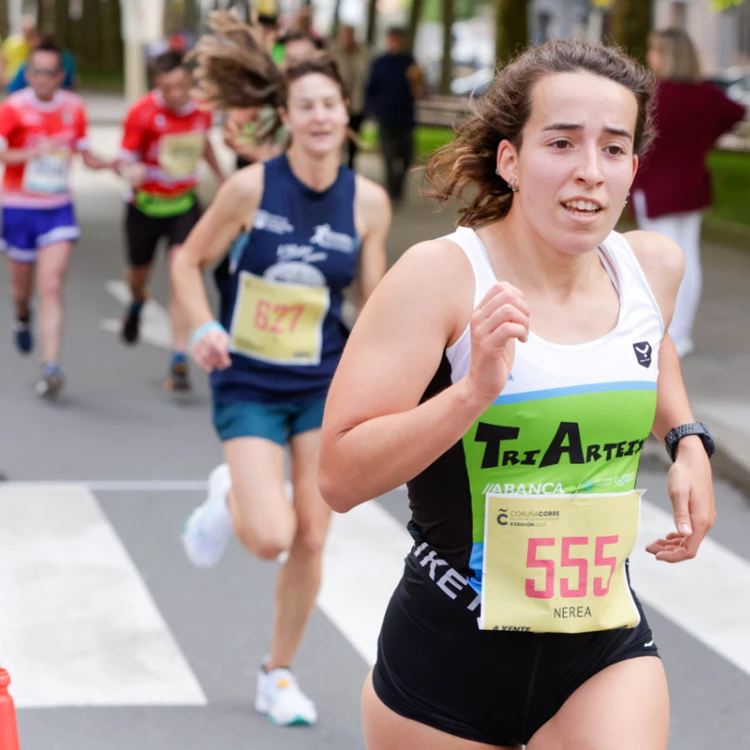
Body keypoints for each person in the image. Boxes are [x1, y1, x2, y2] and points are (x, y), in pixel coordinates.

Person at [319, 39, 717, 750]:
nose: (590, 172)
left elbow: (649, 348)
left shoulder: (649, 265)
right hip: (448, 663)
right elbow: (340, 476)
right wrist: (472, 392)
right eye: (561, 143)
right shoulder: (440, 278)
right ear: (510, 158)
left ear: (633, 167)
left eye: (614, 149)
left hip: (600, 640)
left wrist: (686, 438)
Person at [174, 12, 391, 727]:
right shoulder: (249, 188)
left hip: (323, 380)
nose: (321, 116)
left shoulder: (367, 202)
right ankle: (230, 490)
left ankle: (278, 674)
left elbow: (376, 301)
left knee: (313, 534)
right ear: (286, 117)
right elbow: (188, 260)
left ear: (344, 112)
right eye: (306, 106)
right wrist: (202, 323)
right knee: (269, 535)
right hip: (248, 378)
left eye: (330, 104)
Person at [0, 39, 114, 397]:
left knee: (52, 285)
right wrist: (32, 152)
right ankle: (22, 316)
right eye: (37, 72)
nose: (43, 79)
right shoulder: (13, 108)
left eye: (51, 72)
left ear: (61, 76)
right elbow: (5, 157)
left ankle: (50, 365)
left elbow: (85, 154)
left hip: (57, 209)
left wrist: (116, 165)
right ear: (28, 74)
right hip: (18, 207)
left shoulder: (74, 107)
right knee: (22, 290)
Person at [631, 28, 746, 359]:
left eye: (654, 50)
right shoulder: (706, 94)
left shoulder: (653, 95)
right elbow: (736, 113)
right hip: (691, 185)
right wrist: (705, 137)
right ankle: (681, 334)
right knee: (688, 259)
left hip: (655, 187)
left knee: (658, 262)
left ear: (663, 54)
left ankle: (662, 332)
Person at [116, 50, 224, 392]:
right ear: (157, 86)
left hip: (183, 205)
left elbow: (203, 142)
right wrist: (129, 170)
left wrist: (223, 178)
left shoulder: (202, 109)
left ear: (190, 81)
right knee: (138, 275)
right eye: (168, 88)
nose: (177, 94)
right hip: (145, 206)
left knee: (182, 273)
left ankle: (178, 357)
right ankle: (136, 300)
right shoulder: (142, 113)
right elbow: (125, 156)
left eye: (182, 85)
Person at [224, 30, 318, 171]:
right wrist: (257, 153)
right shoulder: (263, 92)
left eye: (309, 59)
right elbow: (229, 133)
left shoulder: (322, 96)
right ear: (282, 60)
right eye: (294, 59)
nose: (304, 66)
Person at [365, 26, 425, 202]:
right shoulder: (379, 63)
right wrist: (375, 110)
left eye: (399, 39)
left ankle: (398, 184)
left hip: (405, 117)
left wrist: (418, 86)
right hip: (385, 117)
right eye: (393, 39)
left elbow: (420, 89)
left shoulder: (410, 63)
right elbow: (370, 90)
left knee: (407, 155)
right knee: (389, 155)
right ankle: (393, 191)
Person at [329, 24, 370, 169]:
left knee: (354, 141)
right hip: (337, 104)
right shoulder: (334, 53)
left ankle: (350, 168)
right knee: (336, 139)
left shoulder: (363, 53)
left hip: (357, 105)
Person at [2, 15, 38, 88]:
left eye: (30, 30)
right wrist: (3, 76)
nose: (27, 32)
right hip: (12, 78)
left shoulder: (36, 44)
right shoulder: (12, 42)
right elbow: (3, 60)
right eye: (25, 29)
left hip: (32, 79)